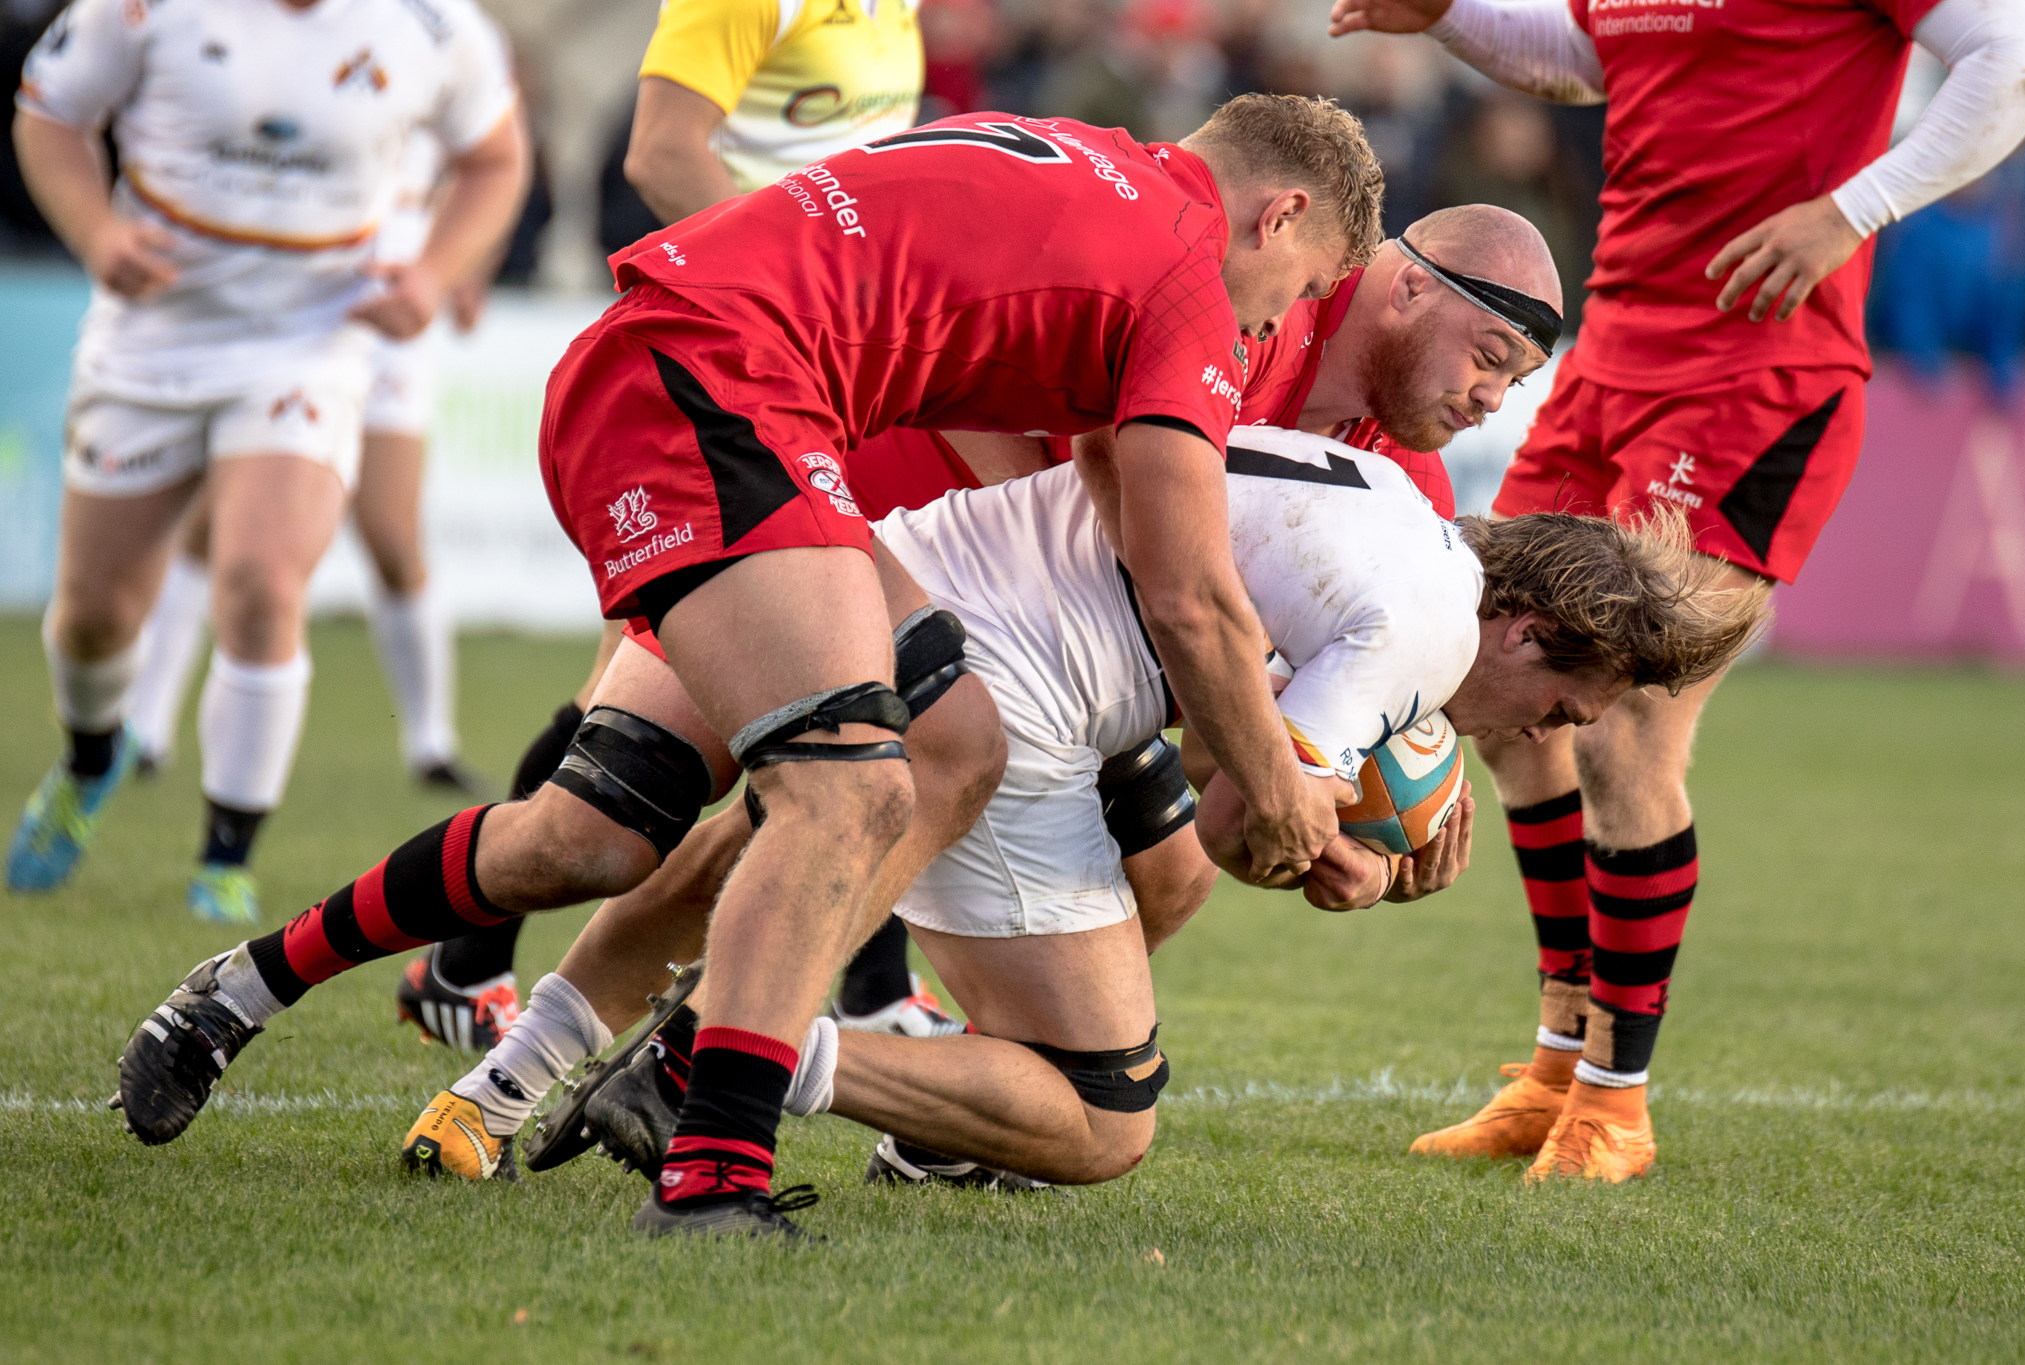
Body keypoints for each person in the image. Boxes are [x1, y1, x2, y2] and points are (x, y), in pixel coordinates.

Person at [113, 96, 1384, 1244]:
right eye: (1296, 284)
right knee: (850, 792)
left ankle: (236, 990)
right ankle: (712, 1168)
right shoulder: (1184, 277)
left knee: (627, 831)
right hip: (715, 394)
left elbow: (1117, 491)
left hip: (724, 390)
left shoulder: (1098, 163)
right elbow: (1186, 591)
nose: (1276, 320)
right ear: (1277, 213)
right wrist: (1280, 784)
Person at [389, 200, 1588, 1184]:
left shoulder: (1405, 471)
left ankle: (915, 1126)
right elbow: (1038, 435)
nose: (1494, 401)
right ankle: (512, 1076)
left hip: (1068, 652)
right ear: (1404, 284)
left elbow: (1291, 695)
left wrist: (1372, 803)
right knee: (649, 837)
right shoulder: (1247, 294)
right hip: (876, 536)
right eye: (1490, 360)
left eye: (1518, 381)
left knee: (1160, 878)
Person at [1328, 0, 2025, 1180]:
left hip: (1757, 378)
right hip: (1610, 363)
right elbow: (1582, 64)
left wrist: (1851, 211)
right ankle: (1556, 1068)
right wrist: (1448, 15)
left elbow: (2013, 53)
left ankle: (1615, 1102)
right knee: (1514, 706)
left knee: (1622, 735)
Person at [445, 0, 933, 1049]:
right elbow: (663, 153)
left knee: (760, 673)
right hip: (738, 365)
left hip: (821, 374)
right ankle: (465, 958)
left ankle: (462, 961)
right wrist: (785, 300)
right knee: (702, 683)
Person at [6, 0, 528, 924]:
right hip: (151, 339)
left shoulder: (434, 25)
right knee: (93, 616)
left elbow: (496, 157)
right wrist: (96, 234)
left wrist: (435, 273)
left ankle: (225, 860)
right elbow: (49, 113)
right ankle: (92, 760)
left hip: (310, 343)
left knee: (260, 578)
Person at [122, 130, 492, 800]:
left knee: (392, 536)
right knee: (214, 523)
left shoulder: (443, 40)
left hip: (395, 314)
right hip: (297, 311)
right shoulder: (298, 35)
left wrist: (460, 268)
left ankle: (431, 742)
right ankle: (143, 729)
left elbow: (486, 166)